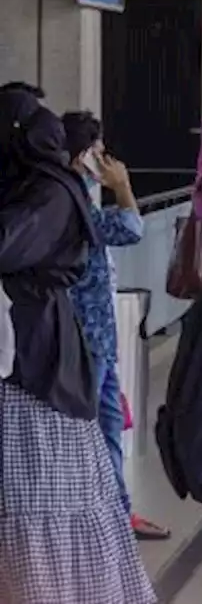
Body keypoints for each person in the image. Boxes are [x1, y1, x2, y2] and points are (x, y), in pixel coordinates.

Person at [0, 90, 155, 603]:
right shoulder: (45, 191)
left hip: (54, 364)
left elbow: (130, 228)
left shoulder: (50, 195)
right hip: (60, 353)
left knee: (63, 481)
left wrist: (124, 186)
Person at [62, 112, 172, 541]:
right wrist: (122, 186)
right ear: (83, 154)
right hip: (83, 337)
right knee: (87, 433)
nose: (106, 161)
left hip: (99, 336)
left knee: (108, 429)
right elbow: (130, 227)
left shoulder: (81, 197)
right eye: (99, 152)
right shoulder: (66, 201)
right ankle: (88, 518)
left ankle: (116, 513)